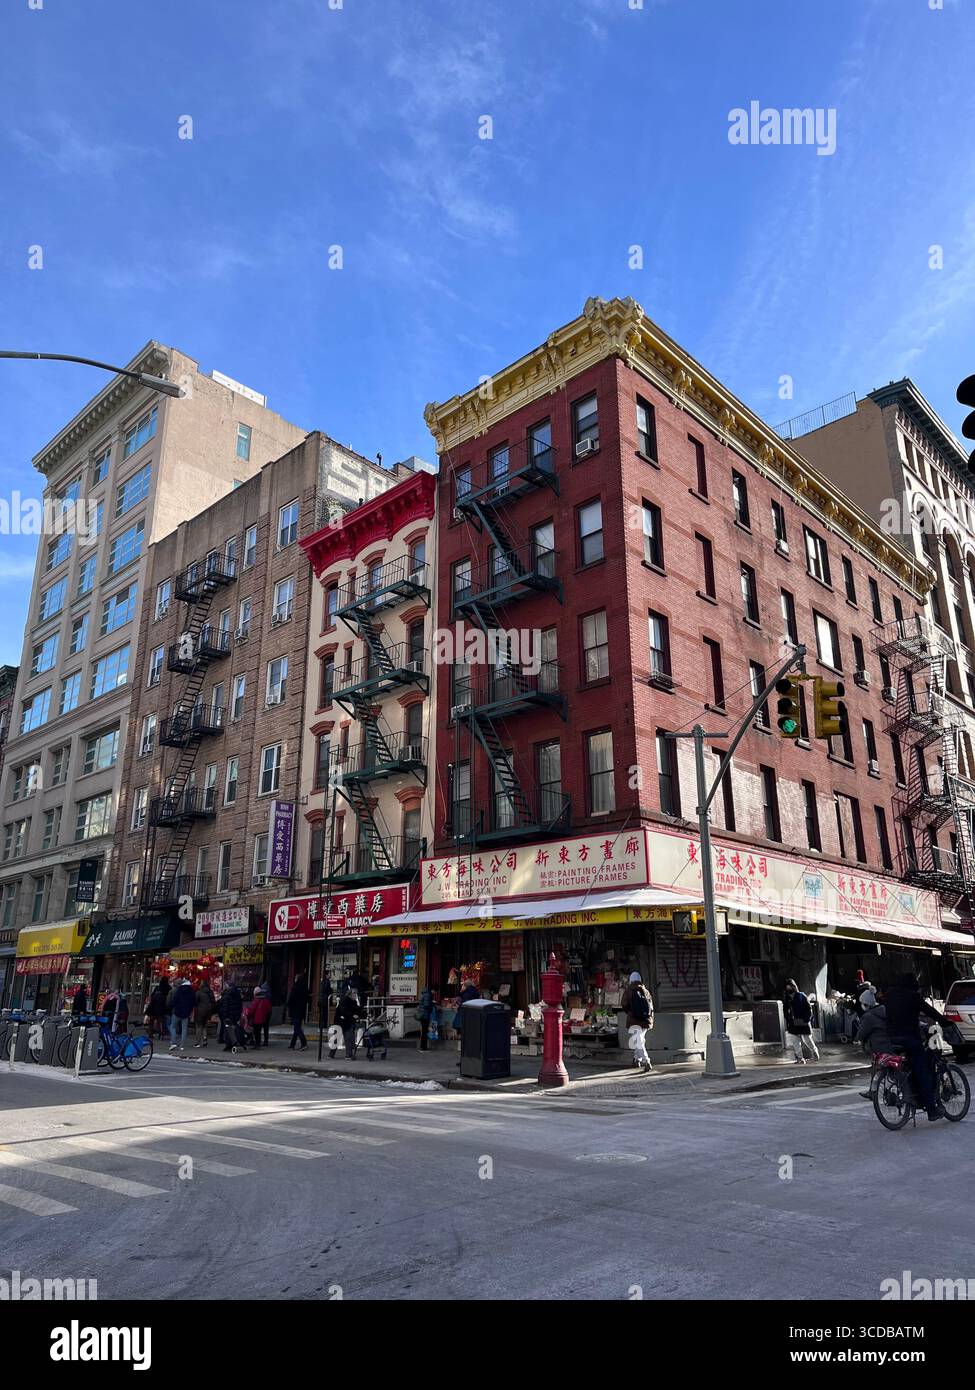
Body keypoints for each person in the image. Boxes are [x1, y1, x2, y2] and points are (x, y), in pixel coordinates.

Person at [883, 971, 947, 1121]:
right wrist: (944, 1022)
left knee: (911, 1065)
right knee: (922, 1070)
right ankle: (931, 1110)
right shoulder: (913, 996)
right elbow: (929, 1011)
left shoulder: (891, 995)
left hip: (892, 1039)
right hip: (909, 1039)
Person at [620, 971, 655, 1073]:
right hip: (646, 1020)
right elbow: (651, 1006)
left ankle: (646, 1061)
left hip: (634, 1020)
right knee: (640, 1040)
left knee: (638, 1041)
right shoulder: (646, 991)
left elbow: (624, 1005)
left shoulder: (629, 991)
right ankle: (636, 1059)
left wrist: (630, 1012)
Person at [857, 997, 891, 1099]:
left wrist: (858, 1039)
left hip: (878, 1045)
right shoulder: (885, 1010)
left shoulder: (868, 1016)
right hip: (890, 1043)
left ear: (866, 1004)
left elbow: (862, 1032)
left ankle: (872, 1092)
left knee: (876, 1068)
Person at [783, 979, 820, 1063]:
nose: (788, 988)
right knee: (795, 1041)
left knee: (807, 1040)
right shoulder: (787, 998)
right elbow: (785, 1010)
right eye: (787, 987)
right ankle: (800, 1058)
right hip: (792, 1023)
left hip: (803, 1021)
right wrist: (788, 1018)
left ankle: (815, 1053)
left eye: (790, 986)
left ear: (794, 986)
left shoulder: (801, 995)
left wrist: (806, 1019)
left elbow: (808, 1008)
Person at [330, 988, 365, 1060]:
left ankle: (348, 1055)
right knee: (337, 1038)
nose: (356, 995)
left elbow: (357, 1010)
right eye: (354, 993)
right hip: (340, 1021)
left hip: (347, 1022)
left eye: (356, 993)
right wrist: (352, 1015)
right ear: (350, 994)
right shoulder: (344, 1001)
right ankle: (331, 1055)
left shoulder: (353, 1002)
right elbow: (343, 1011)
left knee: (348, 1038)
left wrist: (365, 1013)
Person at [168, 976, 196, 1052]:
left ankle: (173, 1042)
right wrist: (189, 1011)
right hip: (186, 1012)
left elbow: (175, 1000)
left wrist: (174, 1007)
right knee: (184, 1029)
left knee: (173, 1026)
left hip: (177, 1011)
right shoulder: (192, 991)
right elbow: (193, 1003)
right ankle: (182, 1046)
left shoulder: (179, 990)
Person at [287, 972, 309, 1051]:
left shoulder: (295, 987)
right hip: (301, 1010)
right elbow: (307, 999)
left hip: (295, 1010)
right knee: (297, 1027)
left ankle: (304, 1043)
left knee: (297, 1028)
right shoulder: (304, 987)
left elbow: (291, 999)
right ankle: (292, 1044)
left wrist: (288, 1004)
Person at [221, 982, 244, 1051]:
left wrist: (224, 1016)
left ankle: (229, 1044)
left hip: (228, 1016)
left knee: (228, 1030)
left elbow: (225, 1007)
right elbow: (240, 1006)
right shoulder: (238, 995)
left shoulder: (227, 995)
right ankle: (234, 1042)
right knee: (233, 1030)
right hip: (235, 1016)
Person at [194, 980, 216, 1048]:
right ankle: (205, 1040)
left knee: (199, 1026)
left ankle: (198, 1042)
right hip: (208, 1011)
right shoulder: (210, 992)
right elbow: (213, 1002)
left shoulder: (199, 992)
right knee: (204, 1026)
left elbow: (195, 1002)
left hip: (200, 1011)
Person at [416, 986, 436, 1051]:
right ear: (432, 990)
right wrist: (432, 1004)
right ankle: (423, 1047)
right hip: (425, 1015)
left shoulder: (425, 994)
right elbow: (426, 1005)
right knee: (425, 1031)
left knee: (424, 1031)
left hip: (423, 1014)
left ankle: (423, 1046)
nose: (434, 993)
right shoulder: (428, 995)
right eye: (435, 992)